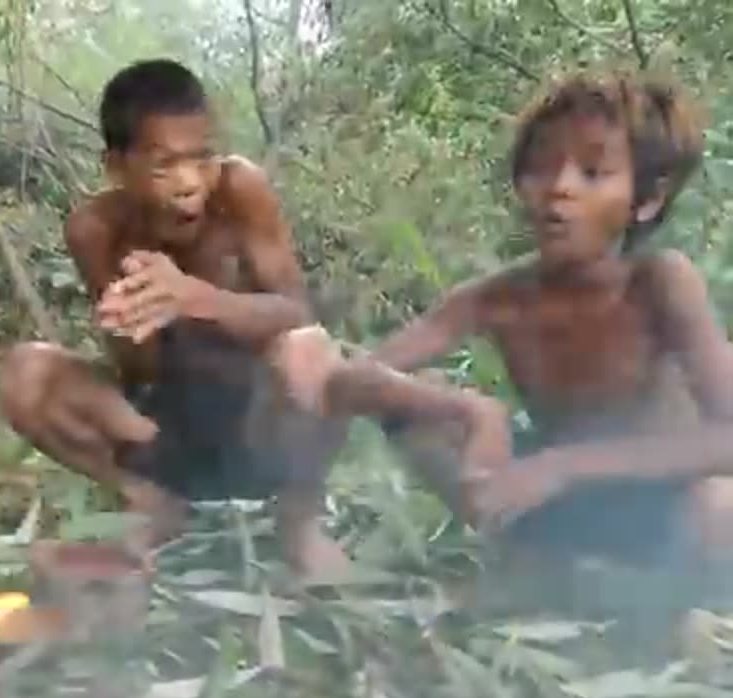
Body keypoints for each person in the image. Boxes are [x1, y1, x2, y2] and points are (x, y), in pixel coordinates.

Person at [273, 68, 733, 571]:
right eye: (541, 167)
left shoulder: (659, 283)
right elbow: (356, 378)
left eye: (593, 172)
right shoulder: (497, 298)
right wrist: (469, 409)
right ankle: (539, 562)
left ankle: (614, 593)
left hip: (662, 512)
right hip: (556, 511)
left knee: (719, 508)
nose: (559, 188)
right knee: (414, 402)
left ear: (648, 200)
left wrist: (565, 466)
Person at [0, 59, 350, 576]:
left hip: (259, 425)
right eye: (163, 165)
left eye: (201, 158)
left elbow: (296, 313)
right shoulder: (95, 229)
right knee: (26, 374)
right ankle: (154, 503)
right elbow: (138, 372)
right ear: (117, 168)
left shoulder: (240, 191)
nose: (190, 183)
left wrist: (195, 298)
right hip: (167, 429)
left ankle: (298, 518)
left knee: (308, 351)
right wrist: (133, 319)